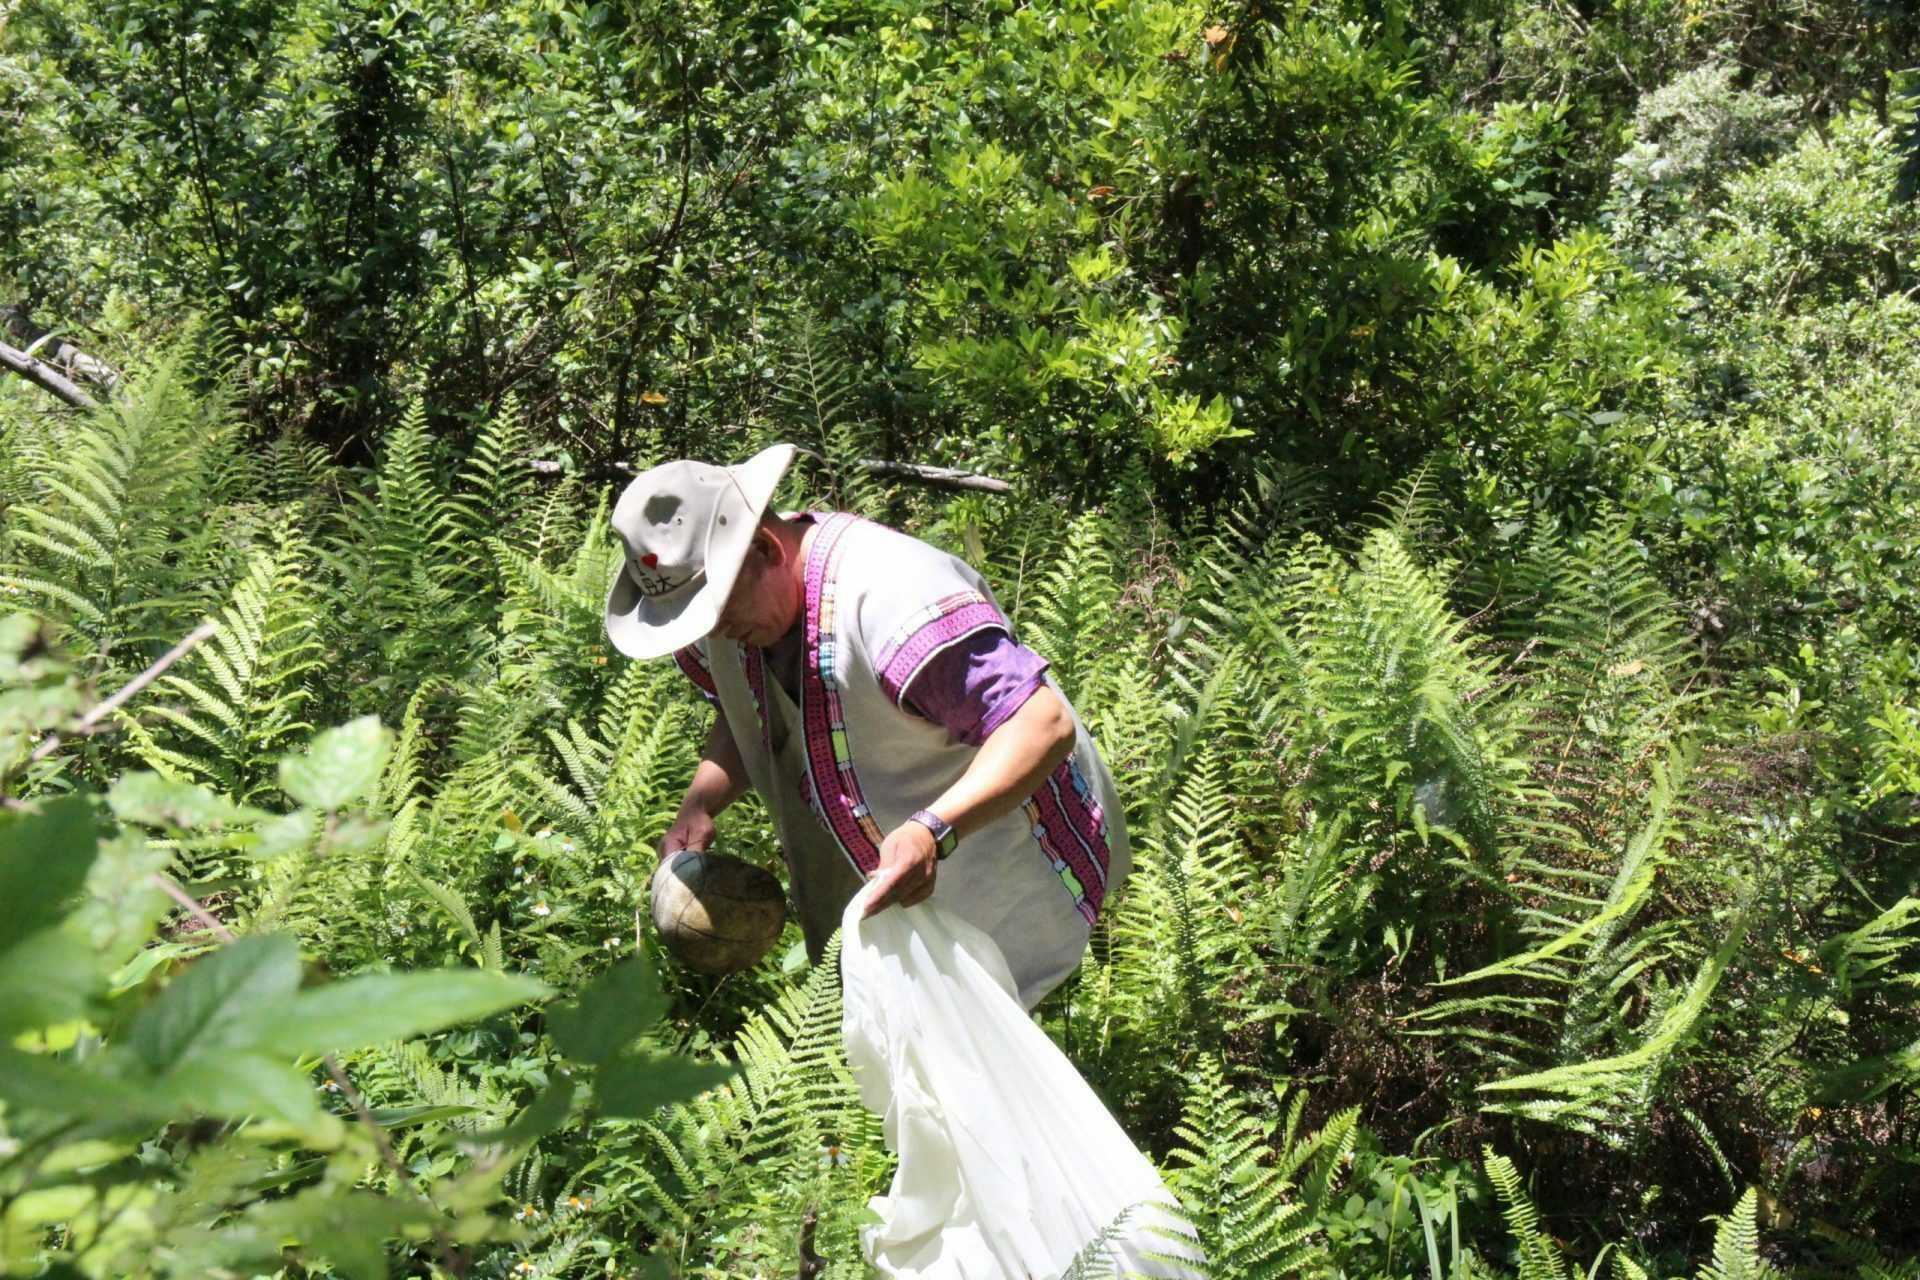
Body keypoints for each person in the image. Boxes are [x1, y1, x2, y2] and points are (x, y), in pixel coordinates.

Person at [602, 443, 1129, 1009]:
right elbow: (747, 707)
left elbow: (1039, 724)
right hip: (892, 870)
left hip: (1004, 857)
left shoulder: (891, 599)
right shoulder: (736, 617)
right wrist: (701, 802)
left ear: (761, 547)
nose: (717, 633)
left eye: (718, 611)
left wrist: (933, 830)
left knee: (1015, 1029)